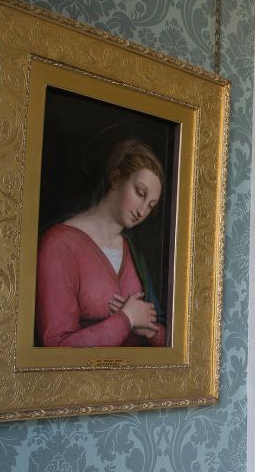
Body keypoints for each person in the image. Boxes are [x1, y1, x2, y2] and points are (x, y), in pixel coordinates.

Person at [35, 138, 167, 347]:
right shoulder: (58, 245)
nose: (142, 211)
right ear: (116, 178)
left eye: (151, 205)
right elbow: (56, 347)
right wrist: (127, 319)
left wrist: (148, 331)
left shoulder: (134, 254)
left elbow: (167, 340)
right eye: (140, 193)